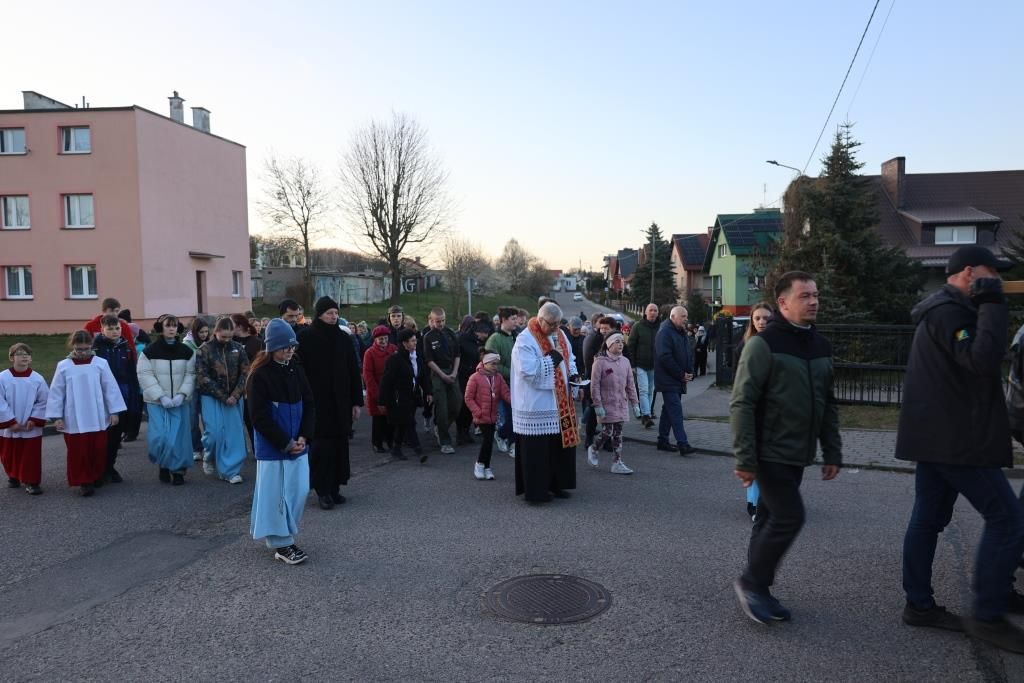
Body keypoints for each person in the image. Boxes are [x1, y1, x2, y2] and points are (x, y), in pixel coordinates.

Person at [896, 246, 1024, 653]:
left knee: (927, 519)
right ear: (970, 272)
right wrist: (993, 303)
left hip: (938, 437)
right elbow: (981, 361)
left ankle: (919, 605)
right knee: (1008, 519)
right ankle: (989, 614)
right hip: (955, 441)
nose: (999, 279)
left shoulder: (944, 310)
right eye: (992, 272)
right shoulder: (950, 314)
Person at [730, 271, 841, 625]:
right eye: (804, 296)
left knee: (768, 517)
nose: (814, 301)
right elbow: (742, 402)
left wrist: (832, 450)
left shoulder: (820, 345)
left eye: (816, 295)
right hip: (769, 450)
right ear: (783, 303)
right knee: (790, 516)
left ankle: (759, 590)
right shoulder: (763, 344)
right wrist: (745, 458)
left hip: (798, 451)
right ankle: (751, 582)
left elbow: (827, 402)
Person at [248, 319, 315, 566]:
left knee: (299, 490)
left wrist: (304, 436)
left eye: (292, 345)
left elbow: (309, 403)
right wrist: (285, 442)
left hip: (298, 444)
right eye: (285, 346)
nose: (290, 350)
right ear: (272, 347)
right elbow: (259, 418)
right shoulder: (259, 376)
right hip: (273, 448)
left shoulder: (296, 369)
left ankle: (284, 535)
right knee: (275, 495)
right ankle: (282, 543)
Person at [297, 297, 363, 510]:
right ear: (319, 314)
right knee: (321, 448)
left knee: (339, 446)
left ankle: (335, 487)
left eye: (336, 313)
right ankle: (322, 490)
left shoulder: (343, 338)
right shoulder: (306, 337)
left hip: (341, 402)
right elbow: (300, 371)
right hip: (318, 402)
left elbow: (353, 370)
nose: (334, 317)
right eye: (329, 313)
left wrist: (356, 401)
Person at [511, 302, 579, 504]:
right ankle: (536, 492)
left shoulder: (560, 334)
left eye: (558, 323)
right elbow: (527, 371)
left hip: (560, 402)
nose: (556, 328)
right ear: (540, 320)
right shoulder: (525, 340)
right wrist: (553, 357)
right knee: (538, 451)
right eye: (551, 324)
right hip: (536, 403)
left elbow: (570, 358)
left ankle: (556, 484)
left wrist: (573, 374)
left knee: (557, 446)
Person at [46, 331, 127, 496]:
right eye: (78, 349)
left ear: (91, 346)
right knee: (78, 450)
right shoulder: (64, 366)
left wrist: (114, 411)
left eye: (85, 349)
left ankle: (96, 475)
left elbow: (110, 388)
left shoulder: (100, 363)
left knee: (97, 449)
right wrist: (57, 416)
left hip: (97, 414)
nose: (82, 352)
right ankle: (84, 481)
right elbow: (56, 392)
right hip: (74, 417)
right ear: (72, 347)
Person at [137, 315, 196, 486]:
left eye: (174, 326)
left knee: (178, 438)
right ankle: (163, 463)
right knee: (160, 437)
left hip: (179, 402)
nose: (171, 329)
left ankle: (178, 471)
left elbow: (191, 374)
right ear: (160, 328)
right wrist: (160, 396)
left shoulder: (186, 351)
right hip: (157, 403)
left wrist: (182, 394)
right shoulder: (149, 351)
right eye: (168, 325)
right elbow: (144, 374)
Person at [196, 317, 250, 484]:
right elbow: (202, 376)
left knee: (234, 435)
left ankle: (230, 471)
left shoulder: (238, 348)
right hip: (211, 397)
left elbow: (246, 372)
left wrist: (236, 394)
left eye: (230, 337)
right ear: (216, 332)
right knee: (214, 433)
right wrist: (223, 396)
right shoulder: (204, 349)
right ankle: (209, 455)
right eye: (223, 336)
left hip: (234, 398)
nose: (227, 340)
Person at [733, 302, 773, 522]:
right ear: (752, 321)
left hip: (775, 412)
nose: (761, 322)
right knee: (754, 459)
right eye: (757, 318)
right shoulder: (744, 346)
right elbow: (738, 382)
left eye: (766, 318)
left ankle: (770, 501)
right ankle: (753, 503)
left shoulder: (778, 345)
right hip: (753, 411)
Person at [91, 314, 140, 483]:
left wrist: (133, 397)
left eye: (117, 328)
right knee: (101, 437)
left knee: (115, 435)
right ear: (102, 330)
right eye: (110, 328)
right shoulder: (96, 349)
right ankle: (98, 469)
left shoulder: (126, 348)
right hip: (101, 398)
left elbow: (131, 374)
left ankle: (110, 467)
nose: (114, 331)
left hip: (122, 397)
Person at [0, 343, 49, 495]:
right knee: (9, 454)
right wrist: (10, 421)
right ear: (11, 358)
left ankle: (32, 482)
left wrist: (34, 419)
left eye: (27, 354)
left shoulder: (37, 379)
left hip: (30, 426)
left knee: (30, 455)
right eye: (20, 353)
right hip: (9, 426)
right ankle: (13, 475)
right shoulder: (3, 377)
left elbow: (44, 401)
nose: (24, 356)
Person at [378, 328, 432, 464]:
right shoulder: (394, 360)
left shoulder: (417, 357)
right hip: (398, 398)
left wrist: (428, 392)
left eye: (415, 340)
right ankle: (419, 451)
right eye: (412, 341)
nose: (415, 343)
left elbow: (422, 376)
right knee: (410, 423)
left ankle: (396, 449)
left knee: (403, 424)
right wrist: (382, 401)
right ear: (404, 343)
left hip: (412, 396)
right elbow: (386, 381)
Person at [588, 332, 639, 474]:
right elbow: (594, 386)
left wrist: (635, 403)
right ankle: (594, 448)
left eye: (622, 341)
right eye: (617, 341)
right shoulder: (600, 362)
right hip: (606, 403)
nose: (620, 344)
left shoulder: (625, 362)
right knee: (607, 431)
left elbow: (630, 384)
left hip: (621, 403)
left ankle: (617, 463)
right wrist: (597, 405)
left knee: (618, 433)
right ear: (609, 344)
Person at [654, 306, 697, 456]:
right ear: (673, 317)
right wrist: (680, 374)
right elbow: (665, 357)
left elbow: (687, 353)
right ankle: (683, 444)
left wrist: (690, 372)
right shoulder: (665, 332)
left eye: (686, 316)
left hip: (677, 378)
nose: (686, 319)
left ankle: (662, 440)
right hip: (668, 379)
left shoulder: (680, 332)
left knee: (668, 410)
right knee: (676, 410)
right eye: (683, 316)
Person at [464, 351, 511, 481]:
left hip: (492, 416)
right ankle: (480, 464)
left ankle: (487, 467)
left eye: (497, 364)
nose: (496, 366)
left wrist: (516, 403)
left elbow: (506, 393)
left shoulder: (498, 377)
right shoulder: (475, 377)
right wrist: (477, 412)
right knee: (487, 440)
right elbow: (468, 398)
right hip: (481, 416)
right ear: (485, 363)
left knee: (489, 442)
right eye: (493, 364)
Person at [422, 307, 461, 455]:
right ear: (431, 321)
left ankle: (441, 427)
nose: (441, 323)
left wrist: (454, 372)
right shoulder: (428, 337)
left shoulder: (451, 333)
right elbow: (429, 360)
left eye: (443, 320)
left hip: (452, 371)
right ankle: (445, 441)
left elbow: (457, 355)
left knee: (457, 404)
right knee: (442, 409)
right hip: (438, 373)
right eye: (438, 321)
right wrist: (442, 375)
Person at [485, 307, 519, 454]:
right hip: (502, 383)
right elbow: (491, 363)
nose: (516, 322)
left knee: (516, 414)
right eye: (513, 319)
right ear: (503, 320)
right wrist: (513, 373)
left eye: (516, 318)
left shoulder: (517, 337)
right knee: (510, 415)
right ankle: (511, 443)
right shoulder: (494, 339)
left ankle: (502, 434)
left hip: (517, 382)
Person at [363, 325, 396, 454]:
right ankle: (377, 443)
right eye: (380, 339)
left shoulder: (393, 349)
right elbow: (368, 375)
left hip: (391, 389)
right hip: (377, 389)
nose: (383, 341)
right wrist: (377, 394)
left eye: (385, 338)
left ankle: (390, 440)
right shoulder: (370, 353)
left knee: (391, 417)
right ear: (375, 339)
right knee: (379, 419)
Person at [626, 303, 660, 428]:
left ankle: (648, 413)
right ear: (645, 312)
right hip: (640, 364)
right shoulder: (638, 326)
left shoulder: (660, 327)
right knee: (643, 390)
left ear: (658, 313)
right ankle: (646, 415)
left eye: (655, 310)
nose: (653, 312)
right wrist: (632, 364)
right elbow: (631, 346)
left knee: (651, 390)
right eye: (650, 310)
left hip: (655, 365)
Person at [455, 317, 487, 446]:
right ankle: (460, 433)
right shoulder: (463, 339)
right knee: (464, 405)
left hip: (474, 375)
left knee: (471, 405)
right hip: (464, 376)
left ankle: (466, 431)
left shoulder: (476, 341)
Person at [184, 317, 211, 461]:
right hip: (192, 386)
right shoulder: (186, 345)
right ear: (195, 331)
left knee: (208, 419)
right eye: (201, 332)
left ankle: (209, 447)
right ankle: (196, 448)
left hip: (206, 386)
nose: (204, 335)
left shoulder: (209, 344)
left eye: (206, 331)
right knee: (192, 419)